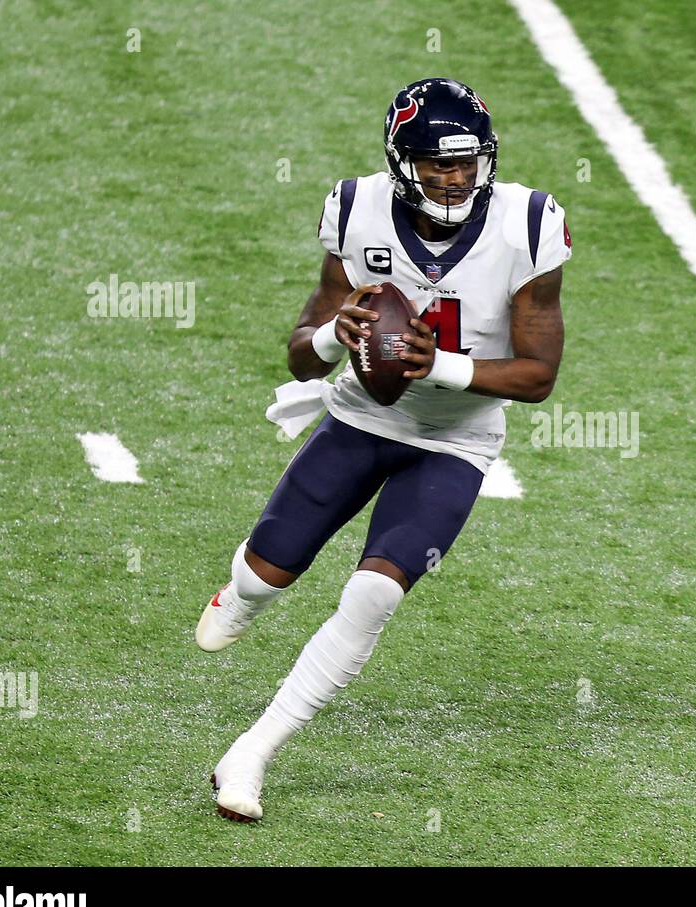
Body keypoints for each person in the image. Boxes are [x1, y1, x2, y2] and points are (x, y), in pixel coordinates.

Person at [195, 77, 571, 822]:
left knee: (373, 593)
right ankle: (242, 592)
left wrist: (436, 366)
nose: (456, 177)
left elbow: (537, 377)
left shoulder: (528, 222)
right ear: (403, 163)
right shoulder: (355, 207)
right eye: (438, 163)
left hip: (456, 439)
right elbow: (301, 355)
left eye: (467, 162)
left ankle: (253, 752)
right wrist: (339, 335)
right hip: (361, 417)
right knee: (269, 575)